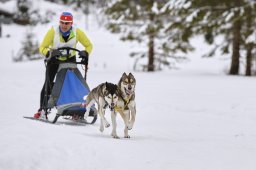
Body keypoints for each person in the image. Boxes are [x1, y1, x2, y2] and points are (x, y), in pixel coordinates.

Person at [34, 12, 93, 119]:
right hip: (54, 59)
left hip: (70, 59)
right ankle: (43, 110)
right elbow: (42, 47)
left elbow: (89, 45)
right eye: (62, 22)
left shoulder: (77, 32)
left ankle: (76, 110)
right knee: (48, 84)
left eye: (67, 23)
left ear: (71, 23)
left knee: (71, 83)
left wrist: (86, 53)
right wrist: (49, 53)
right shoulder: (53, 31)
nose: (64, 25)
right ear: (59, 22)